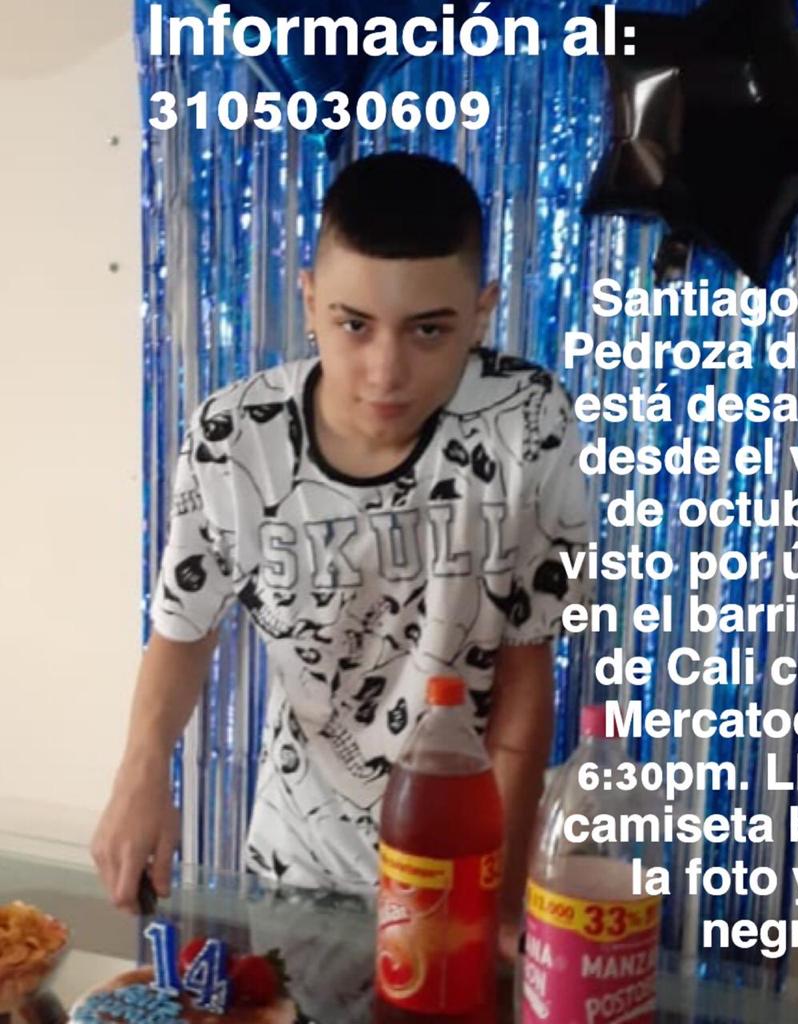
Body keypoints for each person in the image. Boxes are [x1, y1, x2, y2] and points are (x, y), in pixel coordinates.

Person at [90, 151, 590, 955]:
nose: (385, 373)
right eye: (354, 325)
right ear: (310, 300)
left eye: (430, 330)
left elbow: (527, 664)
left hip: (466, 853)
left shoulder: (529, 419)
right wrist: (141, 773)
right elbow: (184, 627)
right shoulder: (234, 436)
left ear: (482, 313)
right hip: (299, 864)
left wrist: (490, 895)